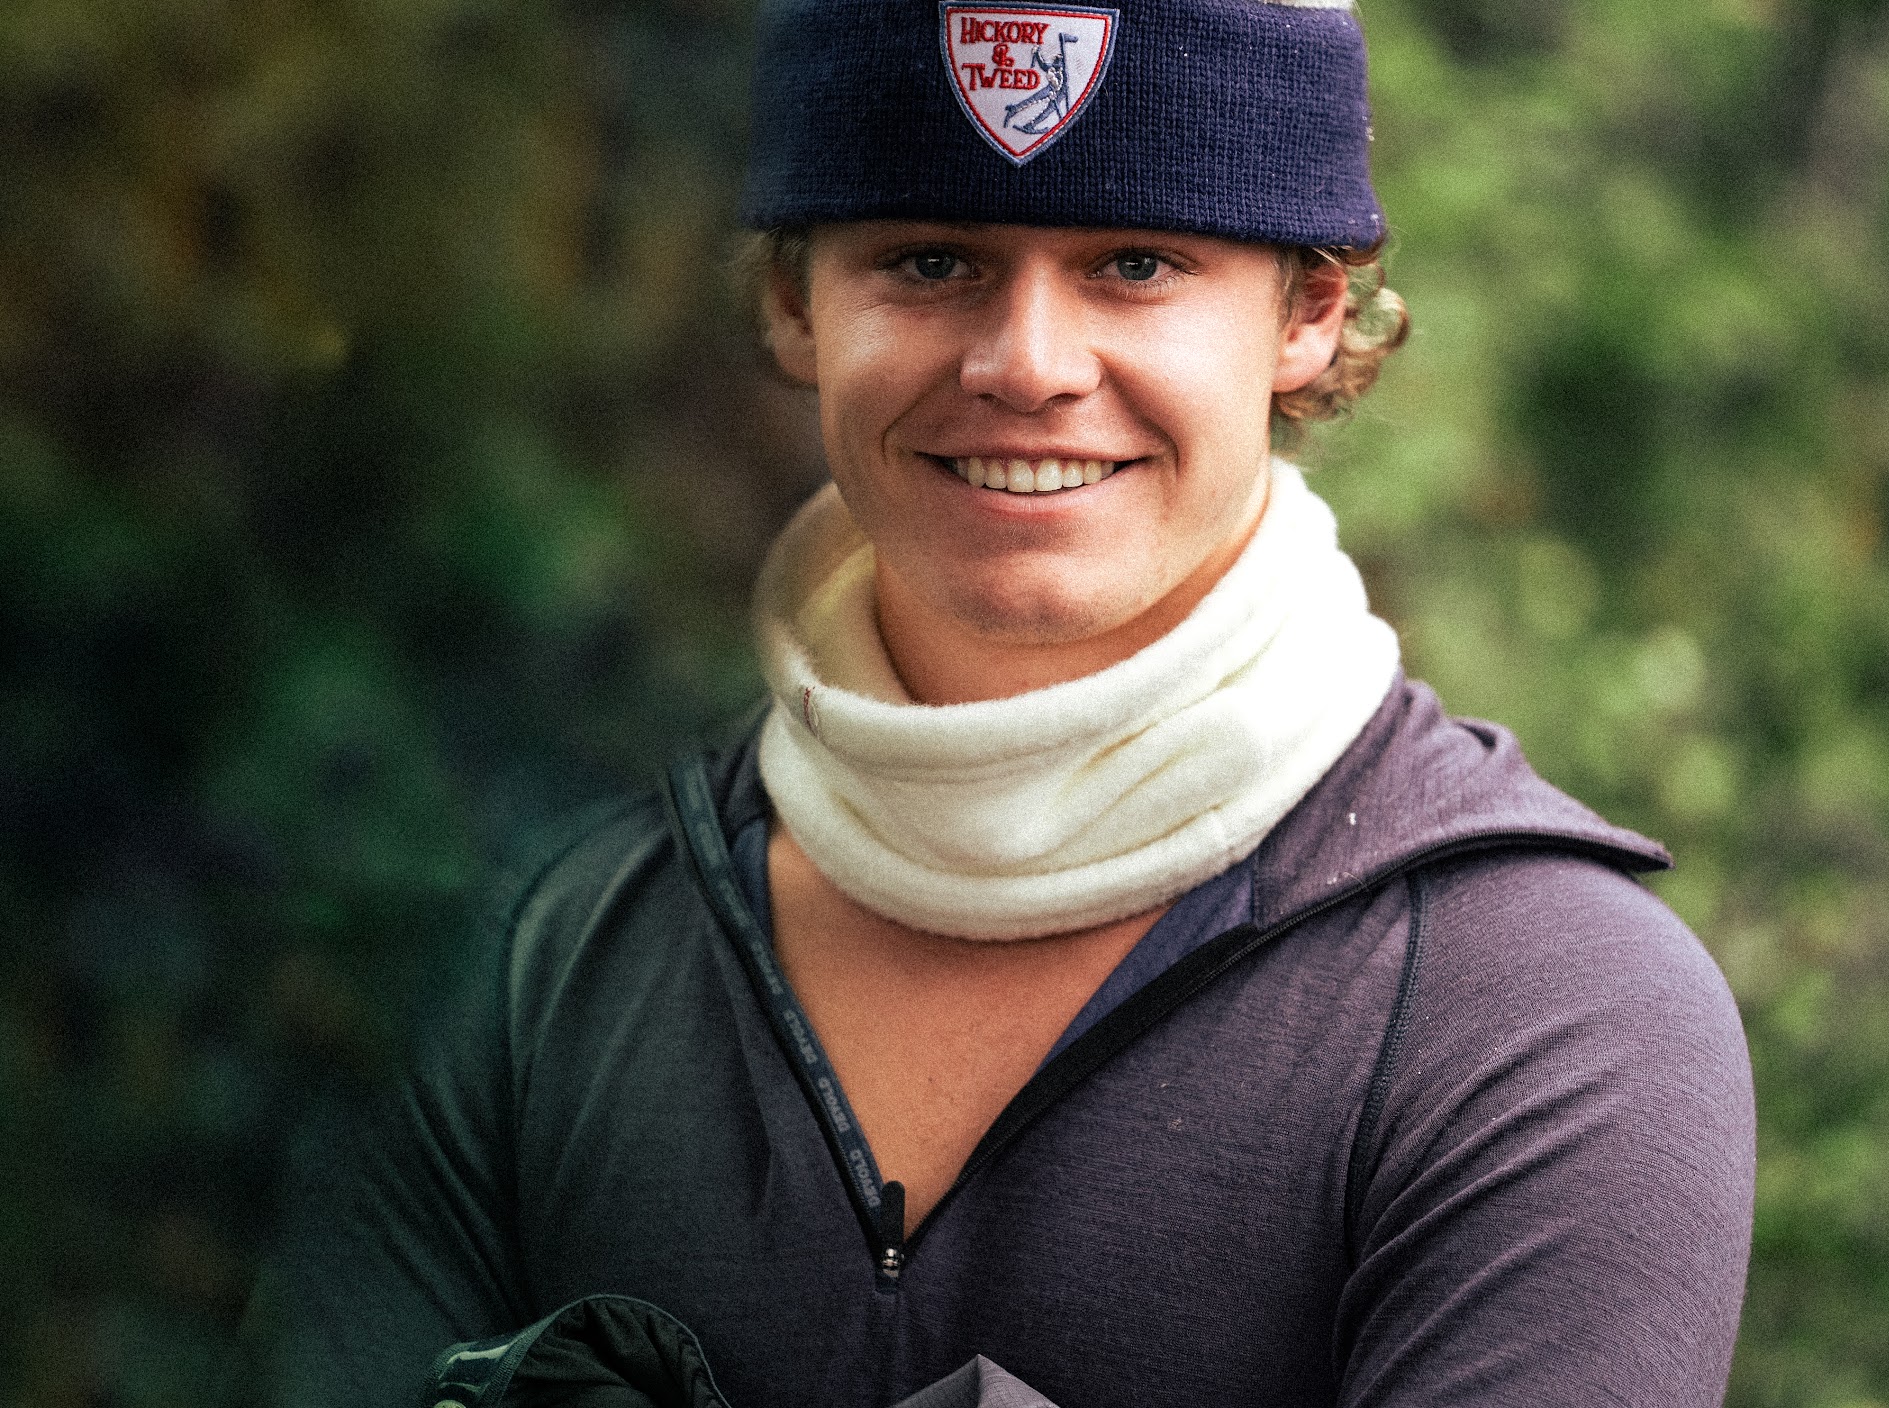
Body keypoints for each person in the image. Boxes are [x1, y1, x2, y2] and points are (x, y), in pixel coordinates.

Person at [239, 0, 1755, 1403]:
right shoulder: (536, 957)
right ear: (793, 301)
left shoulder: (1547, 1013)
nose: (1027, 365)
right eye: (930, 260)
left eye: (1137, 263)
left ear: (1306, 312)